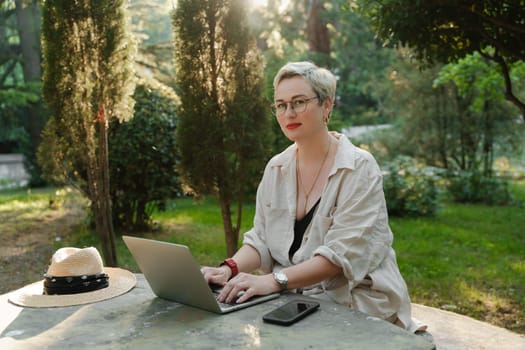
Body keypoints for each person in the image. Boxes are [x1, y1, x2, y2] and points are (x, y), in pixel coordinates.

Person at [202, 61, 421, 333]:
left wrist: (273, 280)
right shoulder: (276, 168)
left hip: (357, 301)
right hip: (294, 299)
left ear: (326, 106)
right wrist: (228, 269)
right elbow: (260, 239)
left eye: (299, 102)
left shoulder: (359, 168)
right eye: (281, 105)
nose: (288, 113)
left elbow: (338, 257)